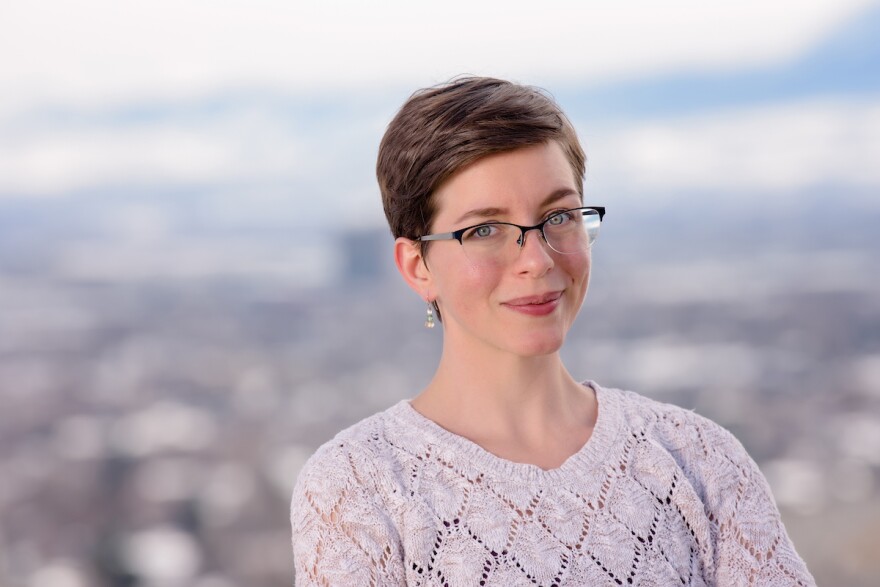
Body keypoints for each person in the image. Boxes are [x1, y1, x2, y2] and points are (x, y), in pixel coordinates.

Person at [290, 76, 815, 586]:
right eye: (485, 230)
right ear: (417, 265)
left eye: (559, 217)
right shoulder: (360, 486)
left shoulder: (699, 460)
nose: (537, 260)